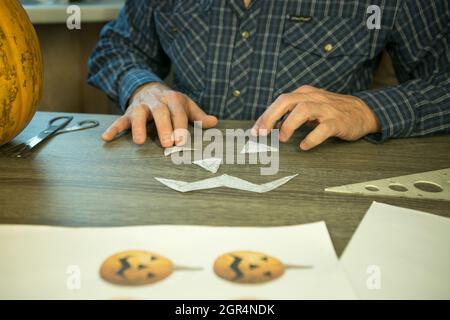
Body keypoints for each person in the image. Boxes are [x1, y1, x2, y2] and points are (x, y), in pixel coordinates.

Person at [88, 0, 450, 150]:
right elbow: (116, 48)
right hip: (178, 172)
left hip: (322, 188)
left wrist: (367, 110)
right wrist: (143, 87)